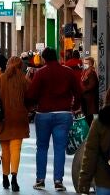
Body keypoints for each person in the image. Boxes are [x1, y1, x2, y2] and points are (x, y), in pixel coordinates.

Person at [26, 48, 82, 191]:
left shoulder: (41, 73)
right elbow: (78, 91)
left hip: (43, 114)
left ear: (44, 59)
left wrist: (31, 106)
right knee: (59, 148)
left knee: (42, 147)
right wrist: (74, 107)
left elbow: (31, 94)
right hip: (63, 114)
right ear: (56, 57)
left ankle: (40, 180)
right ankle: (58, 181)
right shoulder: (68, 72)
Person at [0, 57, 30, 192]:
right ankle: (14, 177)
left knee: (5, 150)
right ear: (21, 66)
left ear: (7, 65)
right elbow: (31, 99)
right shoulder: (24, 80)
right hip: (19, 121)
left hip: (2, 121)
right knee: (16, 149)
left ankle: (5, 176)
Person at [81, 57, 99, 126]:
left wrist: (83, 89)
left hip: (89, 97)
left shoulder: (91, 73)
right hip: (86, 97)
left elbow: (92, 85)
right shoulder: (85, 71)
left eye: (86, 63)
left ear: (91, 64)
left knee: (88, 115)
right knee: (87, 114)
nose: (84, 64)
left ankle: (90, 130)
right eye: (84, 63)